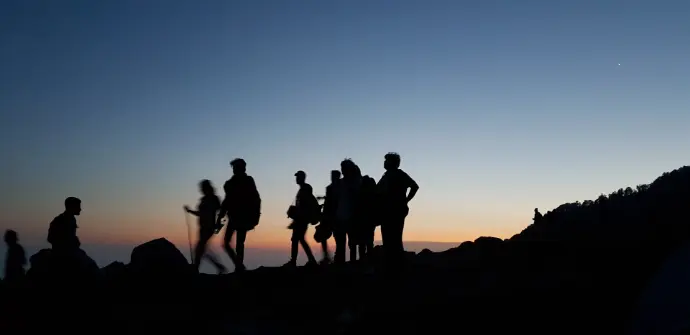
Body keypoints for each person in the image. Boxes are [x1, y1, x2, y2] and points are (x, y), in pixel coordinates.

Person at [216, 158, 261, 272]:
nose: (234, 169)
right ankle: (239, 265)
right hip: (239, 216)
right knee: (235, 243)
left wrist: (220, 216)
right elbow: (228, 200)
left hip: (242, 216)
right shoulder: (237, 182)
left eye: (236, 167)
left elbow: (254, 198)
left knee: (234, 243)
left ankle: (239, 266)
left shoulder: (237, 182)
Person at [377, 152, 419, 270]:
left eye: (386, 160)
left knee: (394, 237)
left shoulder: (399, 174)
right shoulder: (386, 175)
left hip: (395, 210)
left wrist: (406, 200)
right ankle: (392, 264)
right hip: (387, 210)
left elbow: (414, 186)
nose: (384, 163)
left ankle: (396, 265)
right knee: (389, 237)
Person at [184, 180, 227, 274]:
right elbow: (201, 213)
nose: (201, 190)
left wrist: (218, 223)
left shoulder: (212, 199)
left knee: (200, 249)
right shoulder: (207, 199)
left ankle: (196, 268)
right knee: (201, 248)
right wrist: (190, 211)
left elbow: (220, 212)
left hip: (209, 227)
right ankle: (218, 266)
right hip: (203, 227)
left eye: (202, 188)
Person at [284, 170, 318, 267]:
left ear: (302, 178)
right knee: (299, 239)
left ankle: (295, 261)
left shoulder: (305, 188)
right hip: (300, 219)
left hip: (302, 219)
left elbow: (304, 205)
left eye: (298, 177)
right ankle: (309, 260)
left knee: (297, 239)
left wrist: (297, 215)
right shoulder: (303, 189)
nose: (296, 179)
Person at [335, 159, 363, 263]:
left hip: (352, 217)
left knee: (353, 242)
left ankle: (353, 263)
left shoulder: (356, 182)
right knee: (344, 243)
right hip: (341, 217)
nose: (342, 170)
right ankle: (345, 264)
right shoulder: (343, 182)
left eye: (344, 168)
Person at [314, 170, 341, 264]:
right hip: (330, 215)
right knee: (325, 236)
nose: (332, 177)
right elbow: (330, 200)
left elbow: (332, 200)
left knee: (335, 237)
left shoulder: (336, 187)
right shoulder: (334, 187)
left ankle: (332, 257)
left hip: (333, 216)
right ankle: (330, 257)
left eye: (333, 176)